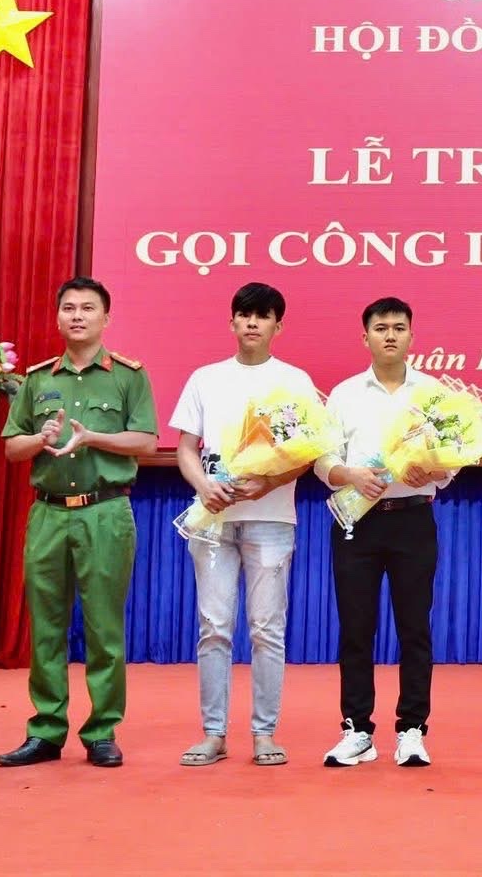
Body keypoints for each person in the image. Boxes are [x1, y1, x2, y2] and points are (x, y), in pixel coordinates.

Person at [0, 277, 157, 769]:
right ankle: (45, 731)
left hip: (105, 511)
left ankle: (102, 731)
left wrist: (93, 438)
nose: (78, 316)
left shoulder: (128, 376)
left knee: (104, 627)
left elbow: (146, 442)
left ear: (106, 318)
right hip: (48, 512)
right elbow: (12, 448)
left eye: (88, 308)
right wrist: (39, 438)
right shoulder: (37, 379)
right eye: (68, 308)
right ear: (58, 317)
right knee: (46, 626)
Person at [171, 282, 318, 768]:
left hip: (271, 519)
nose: (252, 323)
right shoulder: (205, 378)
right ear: (232, 321)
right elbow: (185, 448)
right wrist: (202, 485)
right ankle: (213, 734)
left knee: (266, 629)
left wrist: (268, 481)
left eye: (263, 315)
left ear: (278, 325)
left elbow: (308, 455)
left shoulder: (293, 381)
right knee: (213, 627)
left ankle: (264, 733)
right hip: (212, 518)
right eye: (244, 314)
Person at [315, 297, 454, 769]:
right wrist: (349, 475)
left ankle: (412, 730)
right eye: (380, 328)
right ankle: (357, 730)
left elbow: (452, 457)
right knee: (356, 628)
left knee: (414, 628)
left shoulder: (432, 393)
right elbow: (323, 459)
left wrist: (432, 472)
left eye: (398, 327)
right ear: (365, 337)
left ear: (412, 335)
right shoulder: (344, 394)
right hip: (358, 520)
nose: (390, 335)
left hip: (413, 518)